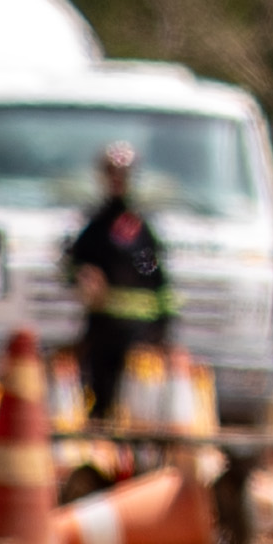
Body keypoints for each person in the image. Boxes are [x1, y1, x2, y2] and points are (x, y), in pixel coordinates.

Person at [66, 137, 173, 430]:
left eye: (122, 174)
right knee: (98, 405)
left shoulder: (140, 228)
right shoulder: (95, 226)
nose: (117, 180)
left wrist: (162, 333)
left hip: (139, 336)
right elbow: (72, 264)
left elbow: (158, 281)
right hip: (102, 334)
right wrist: (81, 275)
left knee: (137, 413)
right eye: (111, 173)